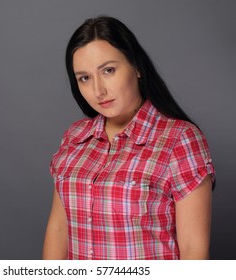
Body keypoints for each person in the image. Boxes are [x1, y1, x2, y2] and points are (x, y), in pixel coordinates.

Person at [43, 16, 215, 260]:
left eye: (108, 70)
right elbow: (59, 229)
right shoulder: (75, 137)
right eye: (85, 78)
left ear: (136, 67)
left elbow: (193, 251)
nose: (98, 90)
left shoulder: (180, 139)